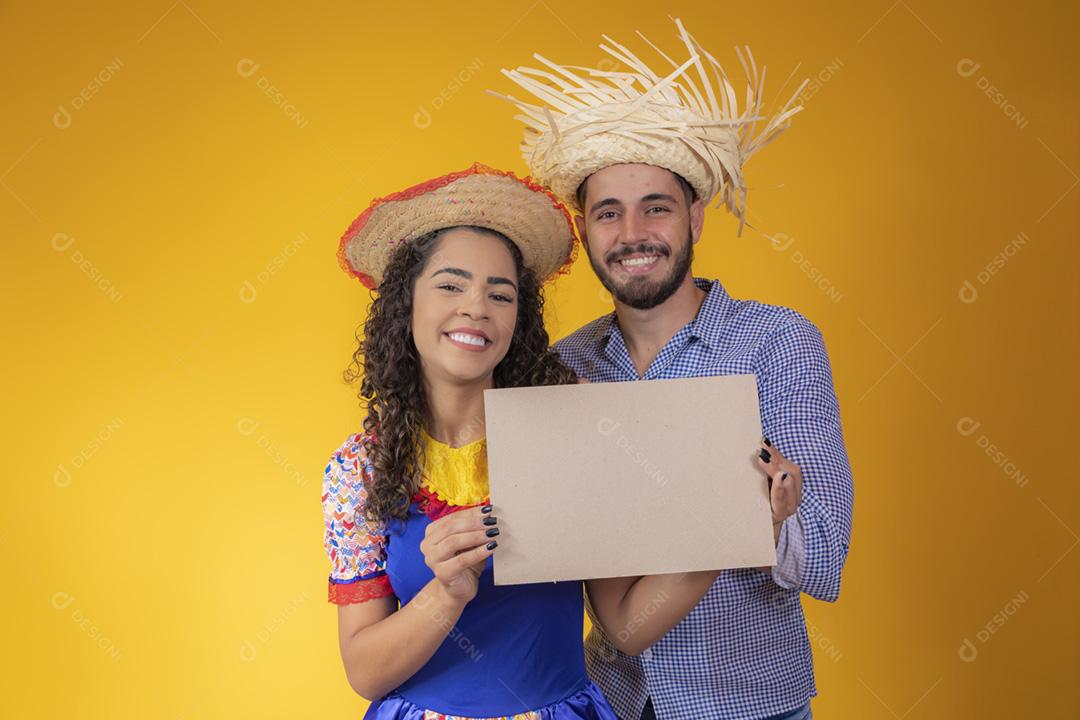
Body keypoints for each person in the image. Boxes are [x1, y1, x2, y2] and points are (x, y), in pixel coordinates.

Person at [493, 20, 855, 720]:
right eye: (608, 214)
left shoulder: (778, 343)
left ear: (694, 216)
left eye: (655, 208)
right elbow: (572, 561)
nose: (632, 235)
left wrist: (774, 526)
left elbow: (827, 558)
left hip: (752, 706)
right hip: (614, 702)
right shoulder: (563, 366)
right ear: (587, 232)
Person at [322, 163, 744, 719]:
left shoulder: (568, 433)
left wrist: (731, 524)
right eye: (450, 285)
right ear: (408, 305)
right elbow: (364, 669)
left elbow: (623, 624)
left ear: (517, 320)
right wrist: (446, 592)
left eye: (501, 294)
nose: (475, 307)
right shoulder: (359, 469)